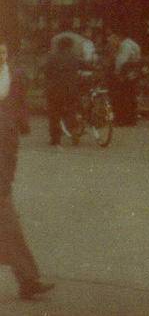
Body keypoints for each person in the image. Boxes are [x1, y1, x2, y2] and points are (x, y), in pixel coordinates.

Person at [0, 41, 54, 300]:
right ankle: (27, 279)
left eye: (2, 52)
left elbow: (9, 151)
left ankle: (28, 279)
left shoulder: (11, 81)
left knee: (9, 225)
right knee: (8, 225)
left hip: (2, 172)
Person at [42, 36, 81, 146]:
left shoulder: (51, 57)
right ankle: (74, 130)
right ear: (70, 46)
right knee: (71, 111)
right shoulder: (74, 57)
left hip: (55, 90)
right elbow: (85, 65)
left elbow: (46, 72)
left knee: (54, 114)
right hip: (71, 90)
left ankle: (55, 138)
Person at [107, 30, 141, 126]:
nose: (112, 42)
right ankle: (131, 119)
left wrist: (117, 72)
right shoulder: (133, 44)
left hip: (125, 74)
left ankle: (122, 119)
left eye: (113, 39)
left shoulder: (125, 46)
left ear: (118, 38)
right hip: (133, 74)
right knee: (131, 96)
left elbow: (121, 61)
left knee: (122, 97)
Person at [0, 43, 30, 136]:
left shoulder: (16, 74)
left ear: (7, 54)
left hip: (9, 119)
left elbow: (22, 99)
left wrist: (24, 121)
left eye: (3, 52)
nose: (0, 56)